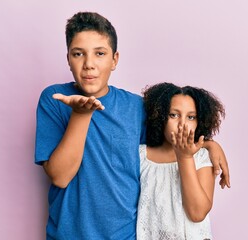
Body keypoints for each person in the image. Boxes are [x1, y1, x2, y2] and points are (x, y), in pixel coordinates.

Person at [35, 12, 230, 239]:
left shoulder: (136, 107)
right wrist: (81, 114)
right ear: (68, 58)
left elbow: (166, 144)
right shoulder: (54, 99)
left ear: (115, 59)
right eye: (78, 54)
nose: (89, 64)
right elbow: (60, 177)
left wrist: (209, 144)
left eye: (100, 53)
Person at [137, 82, 226, 239]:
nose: (182, 124)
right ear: (160, 117)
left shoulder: (202, 157)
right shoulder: (141, 156)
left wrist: (185, 157)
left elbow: (197, 213)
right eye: (174, 115)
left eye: (191, 117)